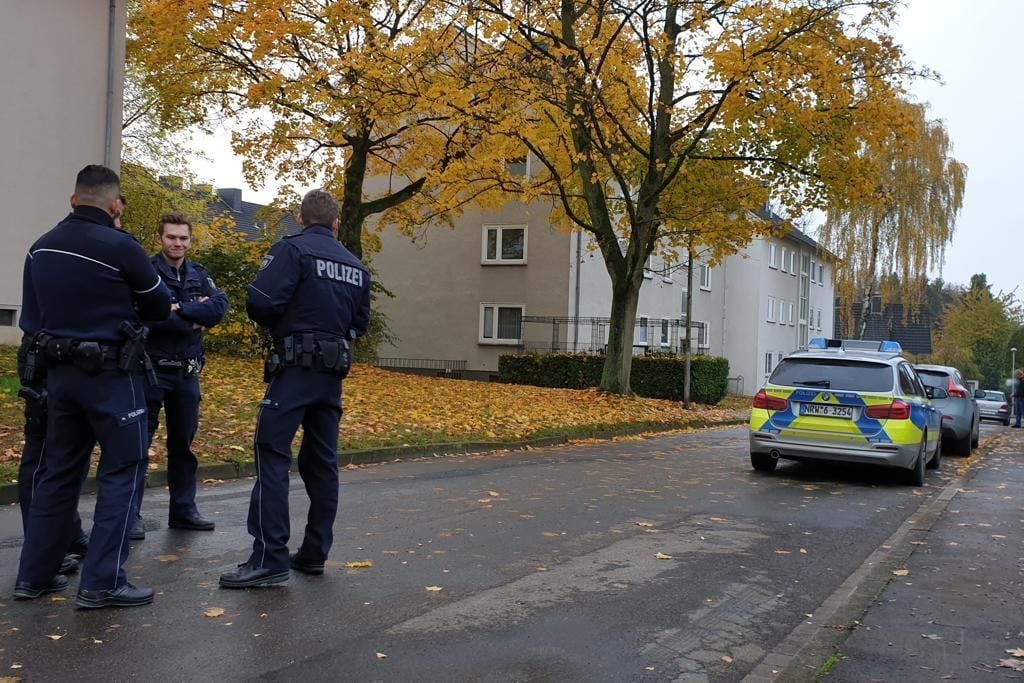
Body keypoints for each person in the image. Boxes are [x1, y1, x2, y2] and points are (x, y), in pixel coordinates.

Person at [13, 165, 171, 609]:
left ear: (73, 200)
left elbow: (31, 319)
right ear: (115, 205)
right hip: (111, 377)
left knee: (57, 474)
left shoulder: (40, 248)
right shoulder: (121, 247)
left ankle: (35, 576)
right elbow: (158, 306)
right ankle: (102, 582)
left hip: (59, 377)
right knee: (122, 472)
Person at [220, 189, 370, 589]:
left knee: (271, 454)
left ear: (301, 220)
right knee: (322, 462)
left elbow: (260, 301)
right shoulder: (355, 264)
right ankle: (315, 551)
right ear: (336, 223)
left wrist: (288, 325)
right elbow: (361, 322)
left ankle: (269, 557)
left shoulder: (292, 250)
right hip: (331, 373)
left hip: (294, 368)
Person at [130, 213, 228, 540]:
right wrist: (191, 314)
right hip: (151, 371)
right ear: (160, 238)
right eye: (172, 237)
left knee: (183, 446)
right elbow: (150, 318)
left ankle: (183, 510)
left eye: (183, 238)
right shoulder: (146, 272)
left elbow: (218, 308)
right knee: (137, 445)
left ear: (190, 240)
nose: (178, 243)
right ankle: (129, 515)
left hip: (186, 374)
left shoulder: (199, 274)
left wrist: (179, 309)